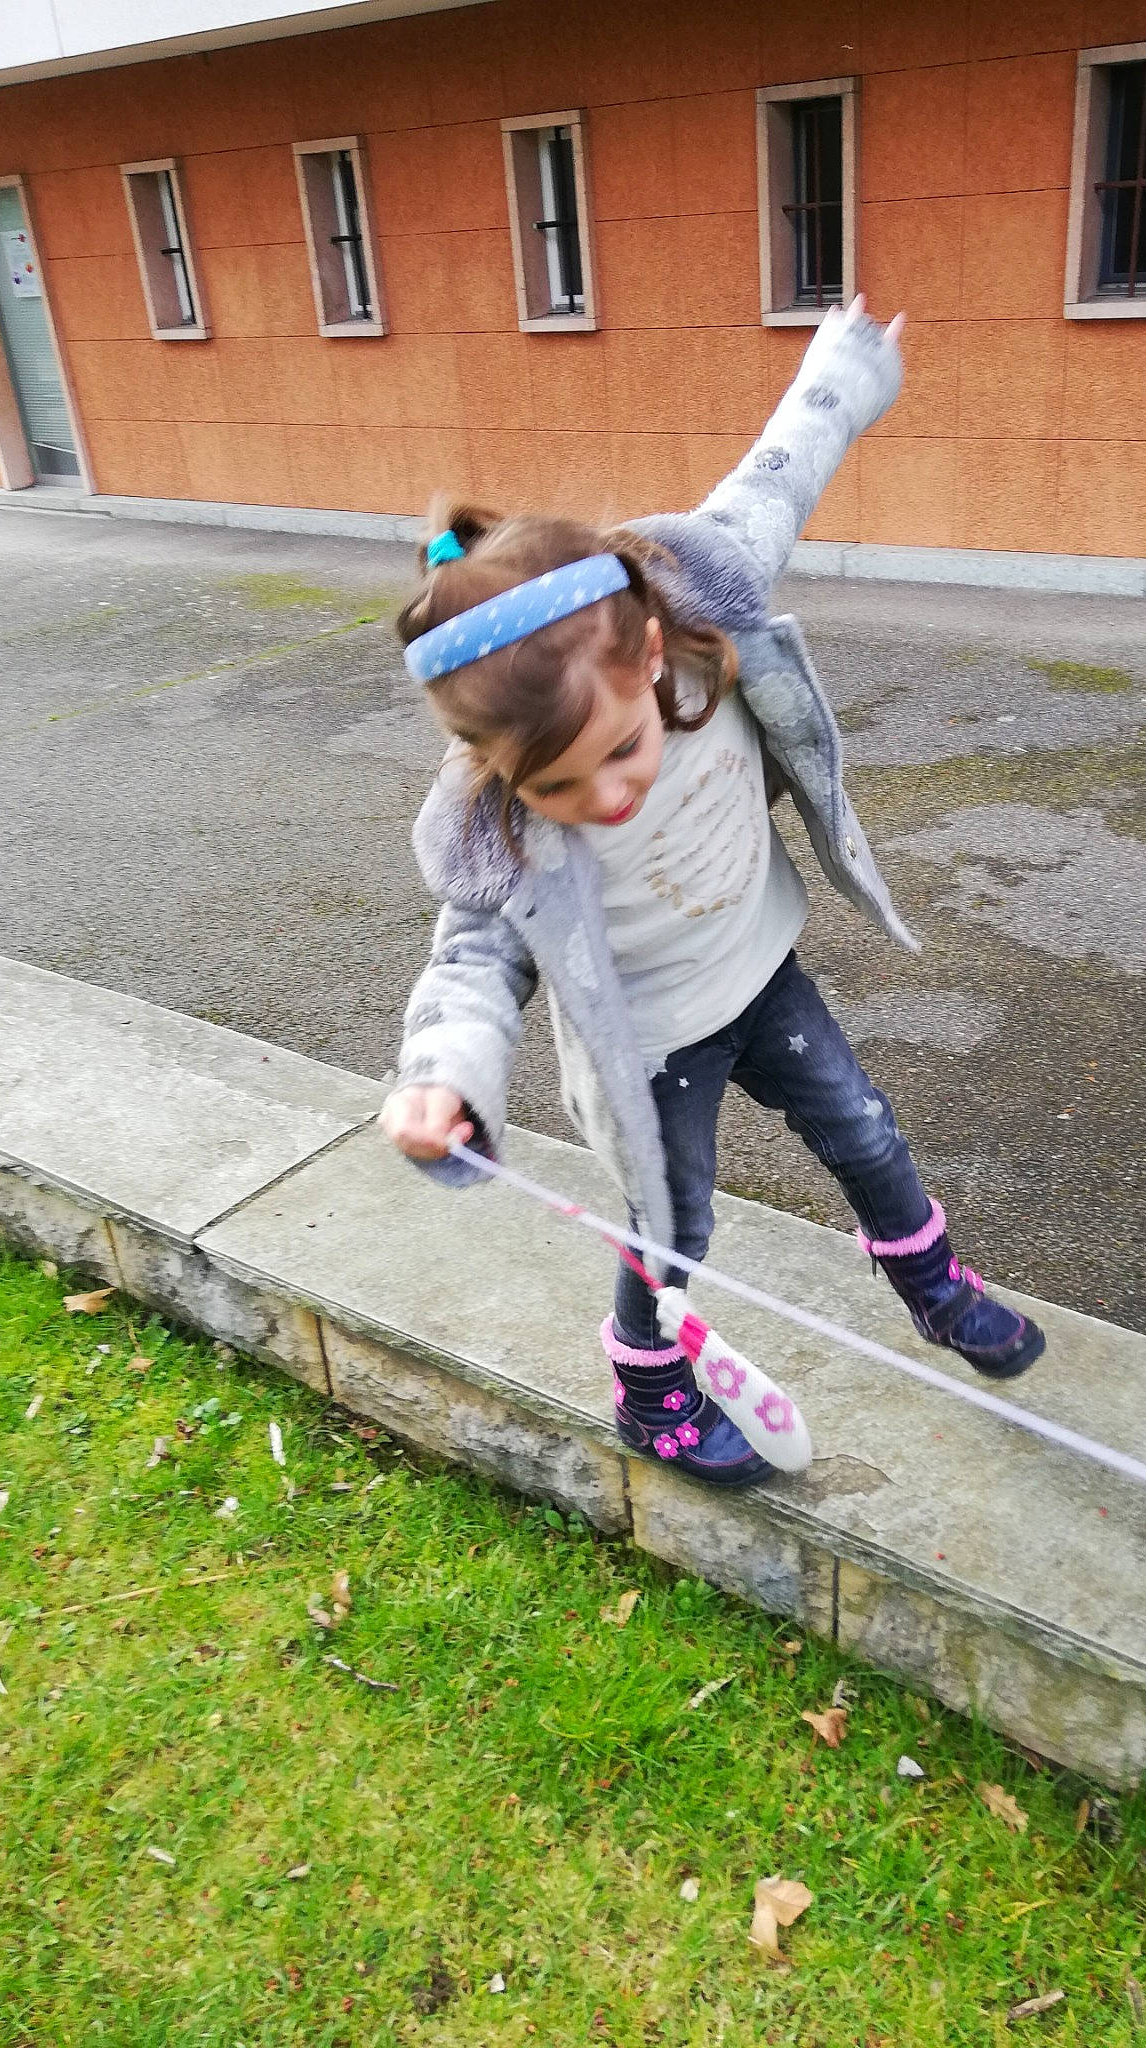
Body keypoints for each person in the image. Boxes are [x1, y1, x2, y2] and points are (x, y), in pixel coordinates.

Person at [379, 298, 1043, 1489]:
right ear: (496, 769)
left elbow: (775, 477)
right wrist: (444, 1080)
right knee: (672, 1224)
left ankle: (932, 1281)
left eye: (620, 752)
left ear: (648, 656)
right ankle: (650, 1386)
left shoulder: (694, 611)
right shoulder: (504, 832)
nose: (605, 796)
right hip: (650, 1050)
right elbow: (470, 963)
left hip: (760, 968)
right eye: (557, 784)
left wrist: (846, 369)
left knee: (862, 1124)